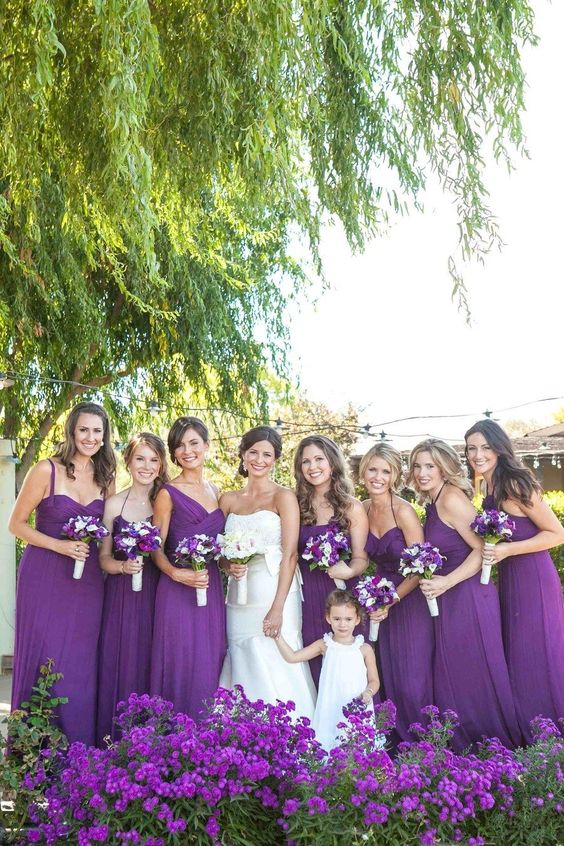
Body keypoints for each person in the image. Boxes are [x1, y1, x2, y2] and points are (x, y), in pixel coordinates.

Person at [9, 401, 116, 745]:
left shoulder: (106, 478)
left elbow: (108, 534)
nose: (90, 437)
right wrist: (60, 546)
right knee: (46, 657)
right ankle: (34, 750)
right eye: (83, 429)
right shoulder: (46, 469)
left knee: (79, 664)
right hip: (44, 576)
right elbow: (16, 525)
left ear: (105, 436)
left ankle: (77, 752)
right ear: (71, 431)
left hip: (87, 583)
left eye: (97, 431)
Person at [409, 438, 522, 752]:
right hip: (450, 596)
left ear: (444, 468)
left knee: (473, 671)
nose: (422, 472)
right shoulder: (433, 500)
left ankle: (490, 746)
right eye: (417, 466)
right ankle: (464, 749)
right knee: (456, 672)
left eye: (430, 466)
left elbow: (483, 549)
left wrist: (446, 582)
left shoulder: (451, 499)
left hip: (468, 596)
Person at [465, 419, 564, 741]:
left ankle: (549, 734)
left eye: (485, 447)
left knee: (536, 654)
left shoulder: (516, 484)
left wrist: (508, 549)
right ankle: (530, 733)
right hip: (510, 581)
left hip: (534, 580)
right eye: (471, 448)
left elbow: (557, 533)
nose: (478, 455)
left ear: (499, 448)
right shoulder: (488, 488)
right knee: (518, 657)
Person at [219, 425, 316, 720]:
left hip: (275, 589)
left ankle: (291, 731)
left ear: (275, 459)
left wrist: (277, 608)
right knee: (242, 655)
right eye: (253, 452)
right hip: (238, 595)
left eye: (267, 455)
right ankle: (242, 731)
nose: (259, 460)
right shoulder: (228, 499)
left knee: (278, 656)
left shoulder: (283, 497)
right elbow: (219, 555)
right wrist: (228, 565)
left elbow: (290, 555)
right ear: (243, 455)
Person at [150, 417, 225, 720]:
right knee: (180, 660)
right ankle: (174, 734)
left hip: (210, 586)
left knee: (210, 657)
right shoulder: (167, 493)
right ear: (174, 453)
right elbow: (154, 547)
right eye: (180, 446)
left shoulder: (217, 491)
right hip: (177, 587)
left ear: (206, 445)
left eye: (194, 443)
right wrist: (176, 573)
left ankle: (206, 734)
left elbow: (222, 546)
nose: (187, 450)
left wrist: (233, 563)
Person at [97, 433, 169, 744]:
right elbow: (103, 559)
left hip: (157, 593)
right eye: (140, 458)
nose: (146, 466)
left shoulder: (166, 501)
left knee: (152, 662)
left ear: (161, 465)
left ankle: (152, 743)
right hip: (121, 597)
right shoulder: (114, 504)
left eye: (154, 460)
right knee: (121, 662)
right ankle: (115, 743)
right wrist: (122, 567)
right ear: (128, 461)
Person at [361, 443, 434, 743]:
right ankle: (390, 743)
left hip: (407, 599)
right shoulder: (361, 508)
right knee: (385, 673)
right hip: (378, 600)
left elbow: (420, 567)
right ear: (363, 471)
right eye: (373, 470)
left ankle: (422, 744)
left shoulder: (404, 512)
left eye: (385, 471)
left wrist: (391, 601)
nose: (378, 477)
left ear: (395, 476)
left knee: (411, 678)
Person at [294, 435, 369, 686]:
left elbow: (361, 559)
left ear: (332, 463)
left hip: (342, 596)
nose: (312, 466)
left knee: (347, 668)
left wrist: (348, 571)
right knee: (315, 662)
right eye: (306, 461)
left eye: (319, 459)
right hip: (307, 596)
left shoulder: (351, 507)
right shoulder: (295, 505)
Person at [276, 589, 379, 752]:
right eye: (337, 619)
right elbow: (292, 657)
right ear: (328, 618)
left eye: (348, 619)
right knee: (329, 744)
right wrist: (277, 637)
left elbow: (374, 680)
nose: (342, 624)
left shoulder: (364, 648)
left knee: (357, 746)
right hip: (331, 705)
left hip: (357, 704)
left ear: (357, 619)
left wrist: (368, 692)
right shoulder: (324, 645)